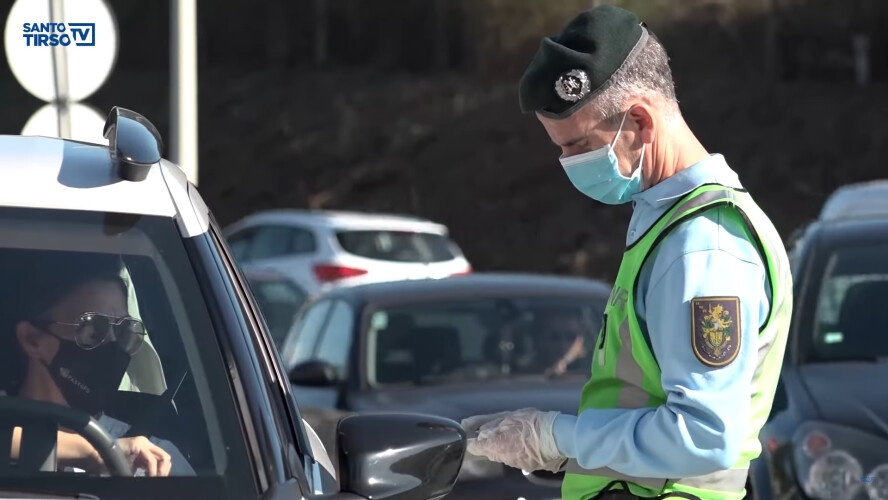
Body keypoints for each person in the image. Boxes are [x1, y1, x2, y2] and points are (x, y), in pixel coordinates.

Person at [461, 5, 793, 500]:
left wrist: (554, 438)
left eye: (578, 146)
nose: (568, 164)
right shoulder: (666, 221)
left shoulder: (703, 247)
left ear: (639, 119)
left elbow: (704, 435)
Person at [2, 251, 194, 477]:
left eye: (124, 331)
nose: (113, 346)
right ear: (32, 339)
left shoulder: (154, 463)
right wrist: (94, 451)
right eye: (93, 329)